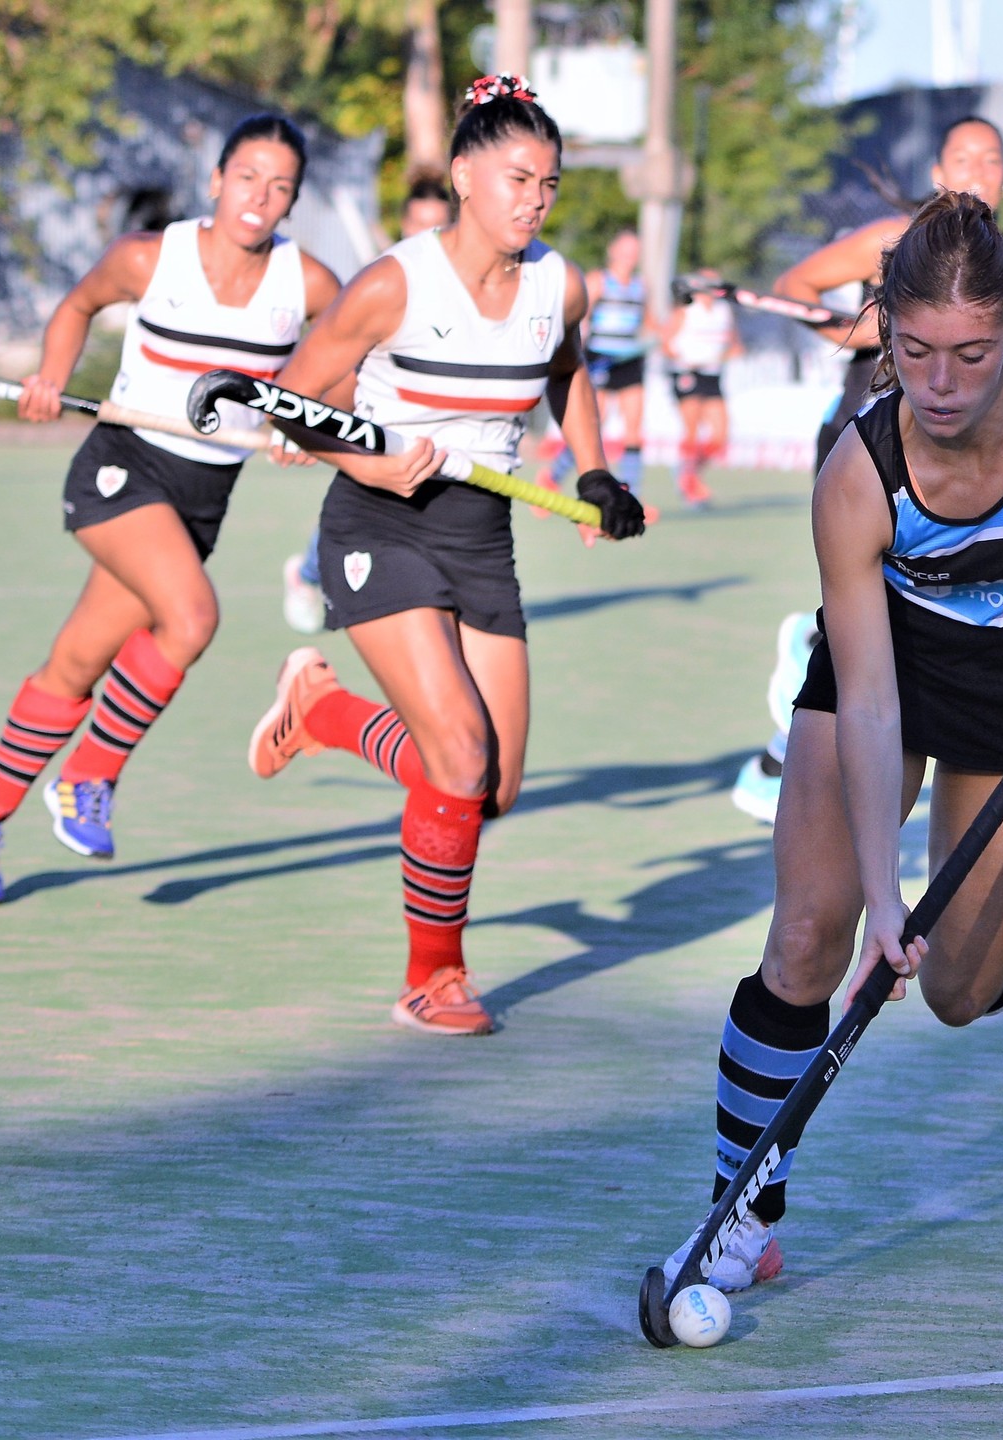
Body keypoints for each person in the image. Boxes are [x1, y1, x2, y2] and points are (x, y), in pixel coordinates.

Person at [665, 191, 1003, 1293]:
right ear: (885, 336)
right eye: (917, 352)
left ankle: (994, 940)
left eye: (973, 354)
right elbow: (865, 698)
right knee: (809, 931)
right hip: (885, 673)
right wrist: (879, 898)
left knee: (955, 991)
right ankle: (739, 1212)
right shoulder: (857, 474)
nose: (942, 385)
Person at [245, 74, 645, 1037]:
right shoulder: (394, 283)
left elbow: (567, 370)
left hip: (481, 537)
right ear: (465, 175)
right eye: (517, 178)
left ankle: (323, 709)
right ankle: (435, 978)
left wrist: (593, 474)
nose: (534, 200)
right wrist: (365, 461)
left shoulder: (560, 283)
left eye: (548, 184)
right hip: (379, 527)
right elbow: (288, 397)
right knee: (457, 758)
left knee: (491, 786)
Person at [0, 114, 341, 905]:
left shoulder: (310, 284)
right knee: (190, 618)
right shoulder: (151, 258)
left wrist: (306, 417)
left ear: (292, 202)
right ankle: (87, 776)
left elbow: (350, 354)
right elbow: (77, 307)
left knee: (78, 664)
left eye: (280, 186)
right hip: (122, 469)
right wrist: (52, 374)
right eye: (248, 176)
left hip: (203, 497)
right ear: (217, 180)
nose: (260, 196)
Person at [731, 115, 1003, 825]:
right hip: (863, 438)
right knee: (873, 617)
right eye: (960, 157)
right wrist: (878, 331)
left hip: (960, 458)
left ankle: (795, 728)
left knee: (927, 615)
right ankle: (802, 721)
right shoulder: (886, 242)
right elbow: (796, 284)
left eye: (988, 160)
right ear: (939, 169)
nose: (973, 171)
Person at [282, 174, 454, 634]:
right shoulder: (384, 280)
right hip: (377, 417)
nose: (426, 236)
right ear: (403, 224)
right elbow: (340, 369)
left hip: (436, 427)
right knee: (368, 502)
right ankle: (307, 574)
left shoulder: (462, 287)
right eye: (418, 223)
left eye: (437, 226)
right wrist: (304, 427)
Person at [534, 227, 655, 503]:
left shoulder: (640, 286)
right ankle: (552, 478)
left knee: (634, 428)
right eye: (625, 249)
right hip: (600, 358)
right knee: (593, 423)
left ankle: (632, 497)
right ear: (612, 251)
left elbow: (648, 323)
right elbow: (577, 314)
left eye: (634, 251)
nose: (629, 256)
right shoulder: (599, 281)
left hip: (629, 362)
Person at [662, 270, 743, 508]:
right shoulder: (686, 309)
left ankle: (688, 472)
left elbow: (734, 343)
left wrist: (729, 353)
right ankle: (690, 485)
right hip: (687, 373)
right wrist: (685, 358)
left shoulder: (723, 311)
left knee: (720, 435)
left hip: (711, 374)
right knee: (692, 431)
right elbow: (666, 343)